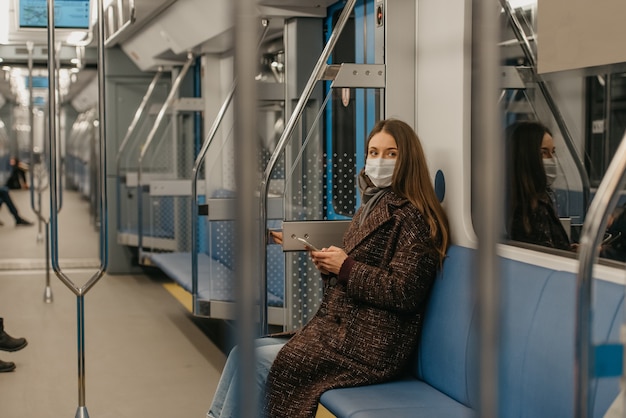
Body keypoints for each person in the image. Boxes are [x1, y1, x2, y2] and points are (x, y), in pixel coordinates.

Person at [207, 118, 450, 418]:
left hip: (371, 346)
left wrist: (345, 267)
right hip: (344, 333)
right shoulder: (370, 206)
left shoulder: (413, 217)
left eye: (391, 153)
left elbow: (403, 291)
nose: (379, 161)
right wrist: (331, 268)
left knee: (252, 362)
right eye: (373, 153)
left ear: (407, 159)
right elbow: (354, 275)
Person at [506, 120, 574, 251]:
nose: (551, 159)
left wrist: (569, 249)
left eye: (552, 152)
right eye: (544, 152)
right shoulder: (529, 208)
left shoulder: (537, 197)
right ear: (526, 156)